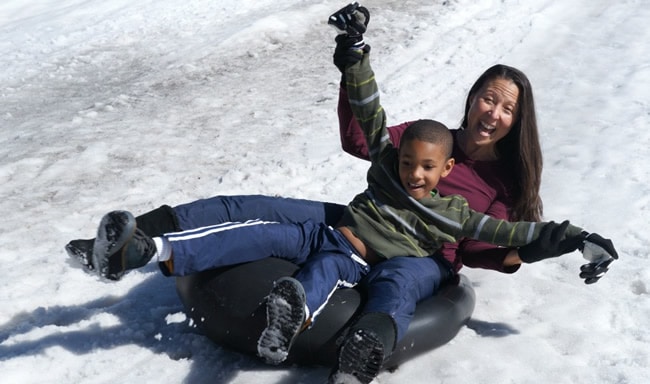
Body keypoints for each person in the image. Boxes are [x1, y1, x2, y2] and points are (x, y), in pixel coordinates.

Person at [64, 2, 616, 382]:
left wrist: (567, 242)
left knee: (388, 286)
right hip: (361, 220)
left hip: (420, 256)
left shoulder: (502, 186)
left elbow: (489, 243)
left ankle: (354, 348)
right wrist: (353, 55)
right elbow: (365, 137)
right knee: (250, 208)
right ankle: (133, 241)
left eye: (505, 107)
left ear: (517, 120)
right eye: (486, 98)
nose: (491, 112)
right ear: (471, 98)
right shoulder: (431, 140)